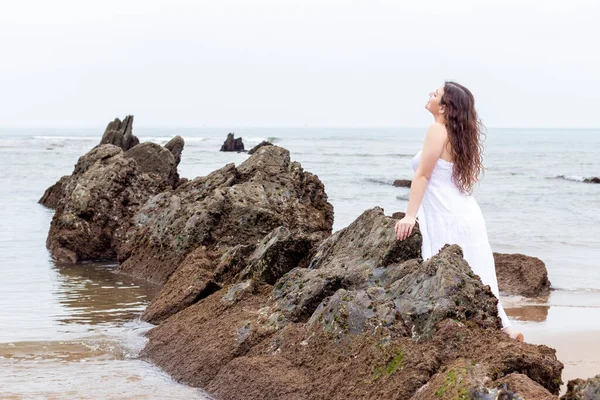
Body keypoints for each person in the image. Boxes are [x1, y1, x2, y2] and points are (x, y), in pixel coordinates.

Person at [394, 81, 524, 342]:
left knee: (448, 280)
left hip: (446, 216)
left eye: (436, 93)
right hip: (466, 214)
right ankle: (506, 330)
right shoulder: (457, 134)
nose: (431, 93)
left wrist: (409, 216)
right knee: (478, 276)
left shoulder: (437, 130)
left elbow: (422, 177)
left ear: (445, 107)